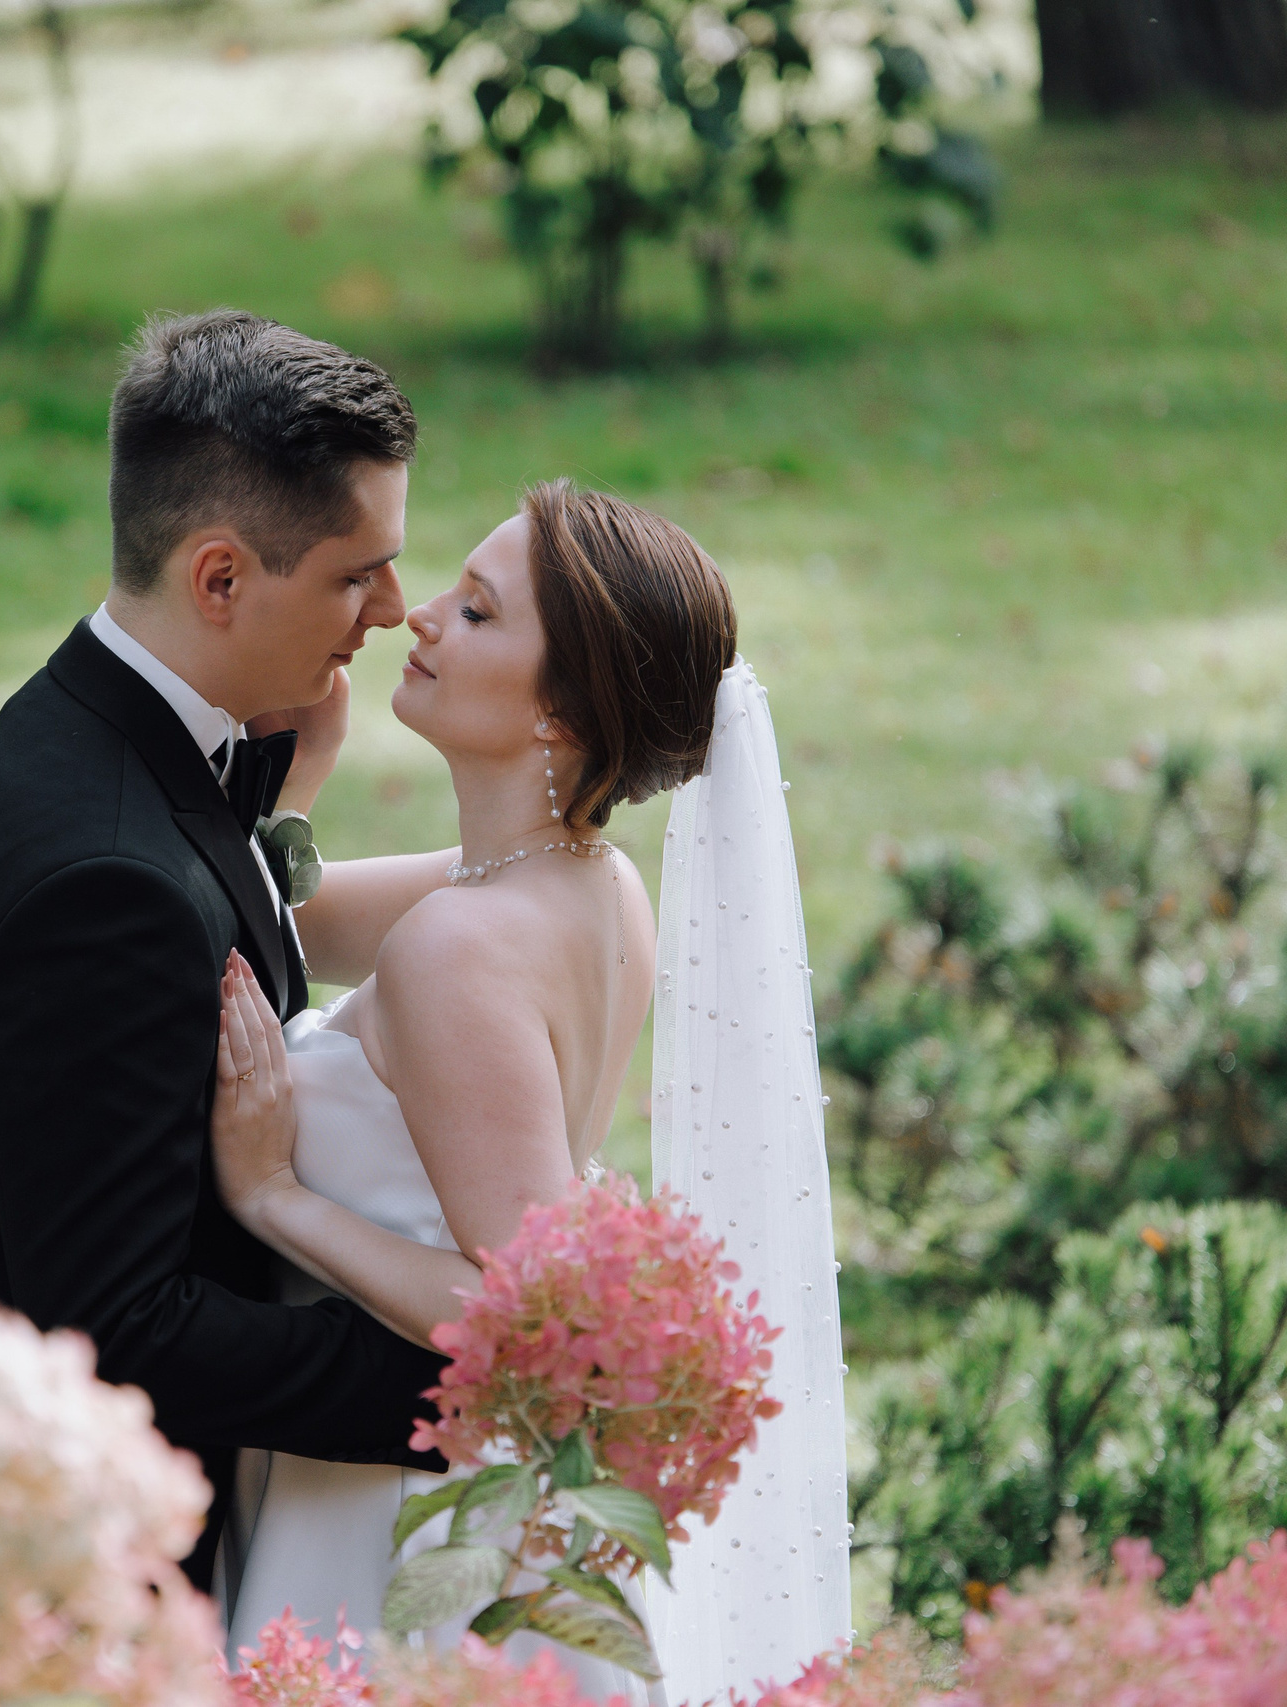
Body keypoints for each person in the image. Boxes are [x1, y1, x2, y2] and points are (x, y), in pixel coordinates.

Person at [208, 481, 852, 1700]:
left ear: (559, 710)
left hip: (406, 1528)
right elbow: (297, 914)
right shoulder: (581, 883)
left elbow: (525, 1320)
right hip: (463, 1486)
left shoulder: (465, 945)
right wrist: (297, 773)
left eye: (478, 612)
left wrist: (273, 1194)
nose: (421, 619)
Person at [0, 309, 454, 1596]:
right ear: (221, 578)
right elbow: (121, 1329)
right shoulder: (106, 887)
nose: (395, 611)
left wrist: (286, 816)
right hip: (56, 1582)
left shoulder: (106, 727)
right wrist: (467, 1394)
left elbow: (233, 909)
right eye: (357, 573)